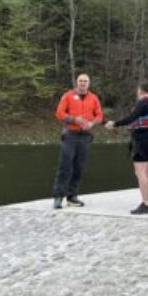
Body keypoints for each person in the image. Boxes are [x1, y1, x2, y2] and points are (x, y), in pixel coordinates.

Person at [105, 83, 148, 215]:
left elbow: (131, 118)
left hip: (143, 139)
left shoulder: (143, 103)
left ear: (140, 91)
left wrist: (114, 124)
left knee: (140, 172)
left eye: (138, 91)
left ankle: (145, 204)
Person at [52, 73, 103, 210]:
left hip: (86, 136)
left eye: (85, 81)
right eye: (80, 81)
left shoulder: (94, 98)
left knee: (79, 167)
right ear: (76, 82)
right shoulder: (68, 96)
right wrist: (75, 119)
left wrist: (92, 123)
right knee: (65, 166)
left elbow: (99, 116)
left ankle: (72, 196)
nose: (83, 83)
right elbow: (59, 113)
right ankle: (58, 197)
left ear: (89, 83)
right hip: (70, 135)